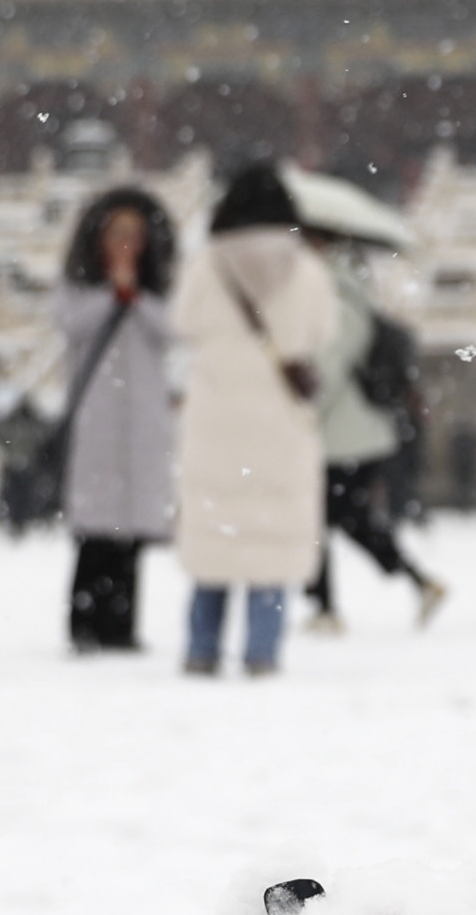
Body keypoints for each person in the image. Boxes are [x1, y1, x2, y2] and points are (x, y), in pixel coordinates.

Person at [171, 164, 331, 676]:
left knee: (215, 546)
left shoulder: (205, 267)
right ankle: (262, 652)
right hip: (279, 424)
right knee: (270, 548)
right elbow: (323, 332)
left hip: (216, 421)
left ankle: (202, 649)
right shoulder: (307, 270)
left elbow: (182, 322)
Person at [48, 185, 179, 653]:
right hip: (97, 422)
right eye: (117, 233)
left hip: (141, 424)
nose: (126, 244)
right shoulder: (77, 289)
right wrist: (111, 295)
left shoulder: (157, 294)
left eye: (135, 235)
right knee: (95, 535)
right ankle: (85, 625)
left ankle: (121, 627)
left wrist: (135, 295)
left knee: (131, 540)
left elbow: (173, 330)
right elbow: (67, 322)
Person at [302, 231, 447, 632]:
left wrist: (301, 410)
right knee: (347, 520)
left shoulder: (338, 298)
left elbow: (328, 371)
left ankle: (327, 609)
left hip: (345, 436)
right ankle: (415, 582)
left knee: (322, 520)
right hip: (353, 435)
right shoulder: (350, 293)